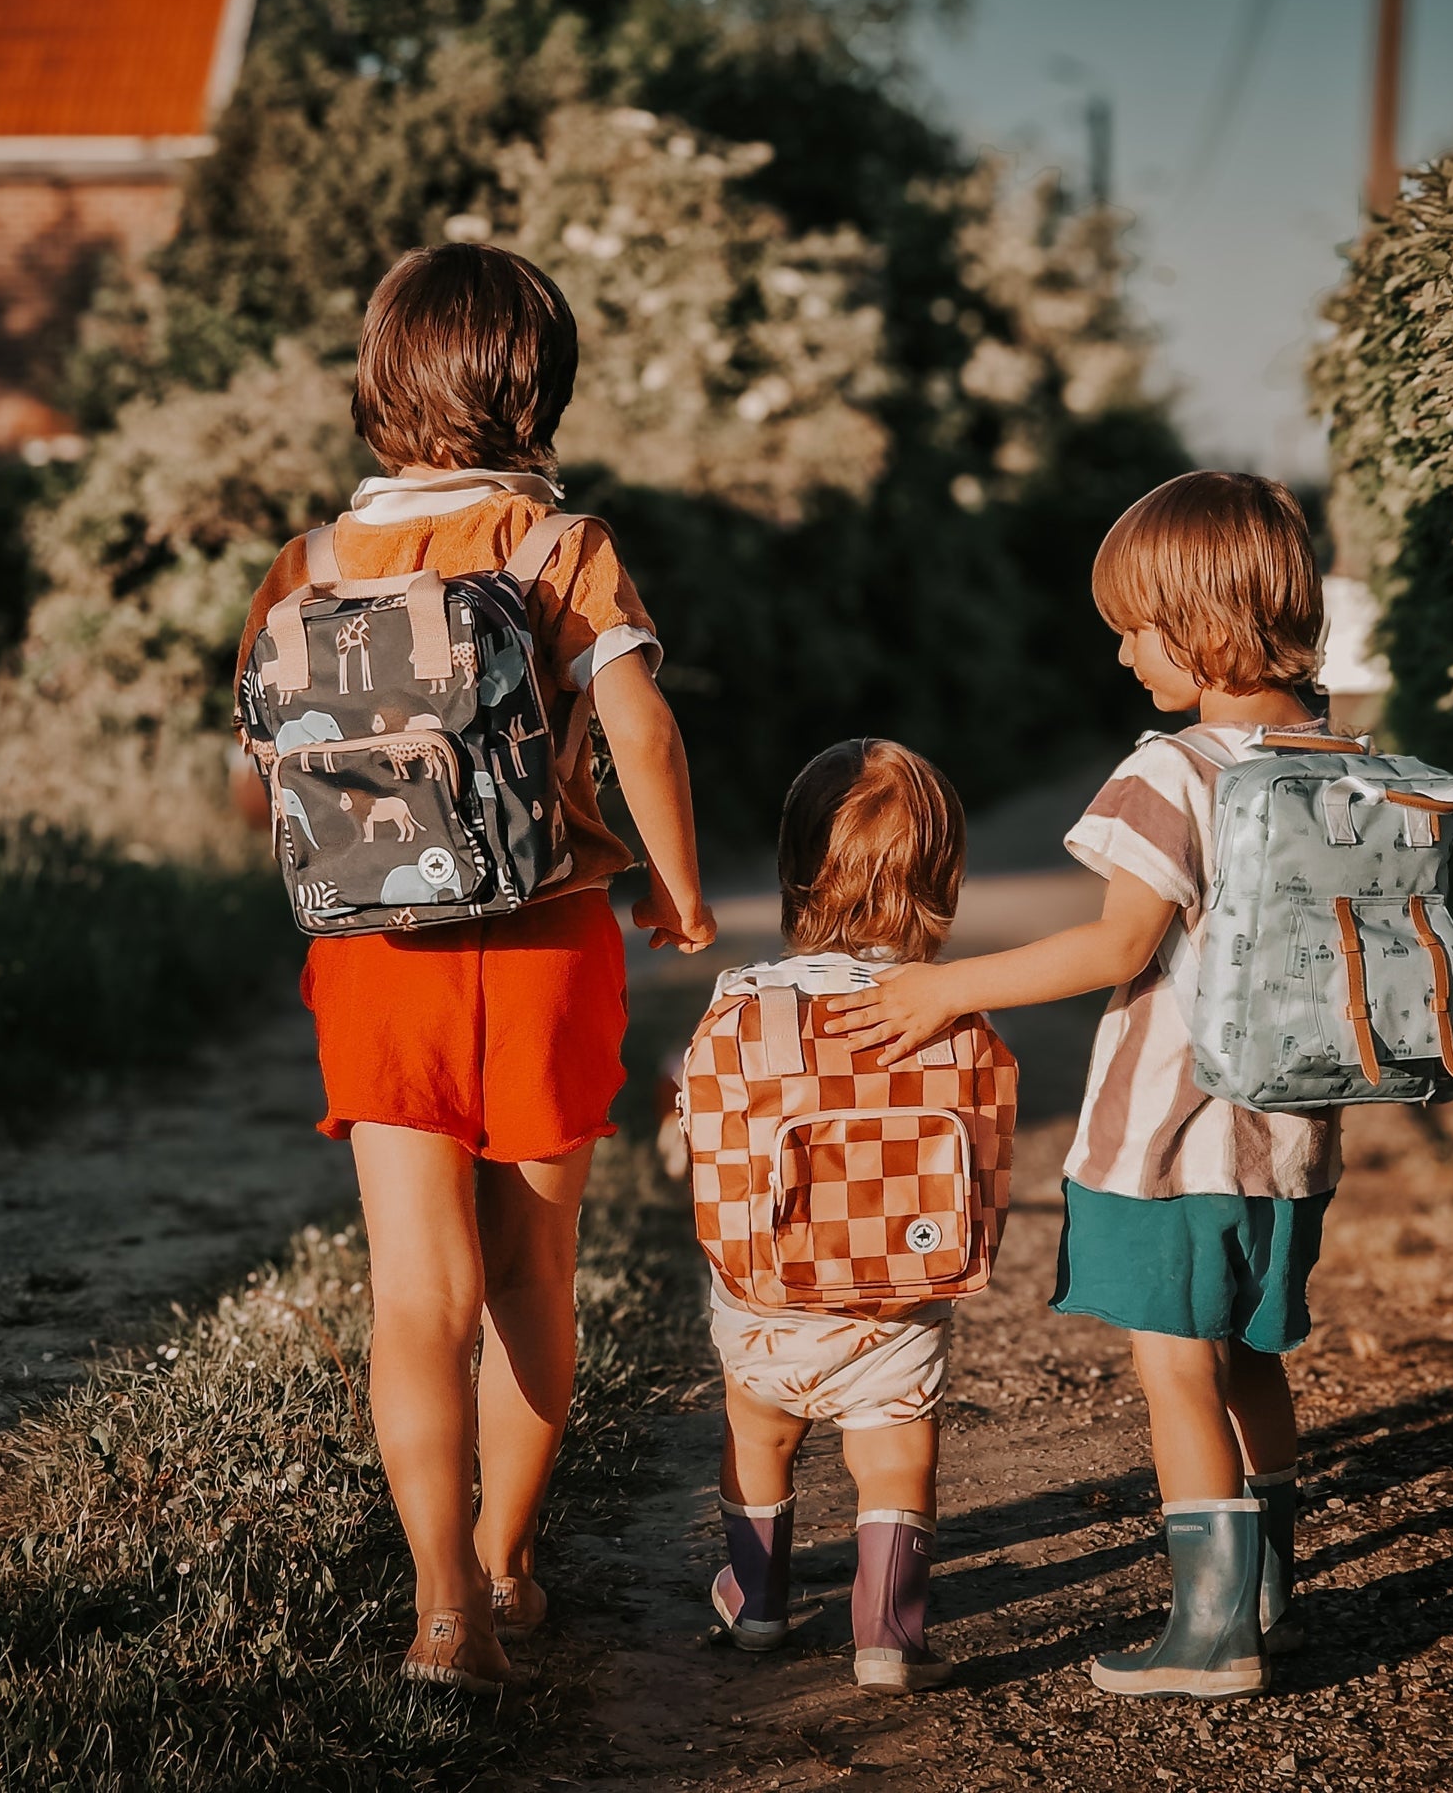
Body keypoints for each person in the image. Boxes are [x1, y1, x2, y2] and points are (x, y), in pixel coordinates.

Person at [230, 244, 716, 1695]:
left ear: (378, 381)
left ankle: (443, 1614)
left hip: (380, 959)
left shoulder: (309, 566)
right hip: (548, 938)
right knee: (531, 1273)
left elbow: (259, 778)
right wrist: (679, 891)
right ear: (537, 387)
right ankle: (507, 1563)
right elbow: (641, 727)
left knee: (416, 1294)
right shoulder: (559, 548)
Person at [828, 471, 1335, 1700]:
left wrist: (946, 989)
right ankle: (1269, 1590)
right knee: (1248, 1352)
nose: (1119, 652)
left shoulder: (1176, 769)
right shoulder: (1334, 760)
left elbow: (1115, 945)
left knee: (1175, 1366)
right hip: (1291, 1132)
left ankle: (1211, 1635)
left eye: (1134, 627)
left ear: (1200, 621)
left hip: (1175, 1133)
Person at [691, 738, 1014, 1695]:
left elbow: (702, 1136)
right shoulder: (951, 1012)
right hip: (903, 1292)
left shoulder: (745, 1006)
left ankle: (756, 1601)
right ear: (943, 879)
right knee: (896, 1447)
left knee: (758, 1431)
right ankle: (889, 1634)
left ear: (795, 871)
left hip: (768, 1292)